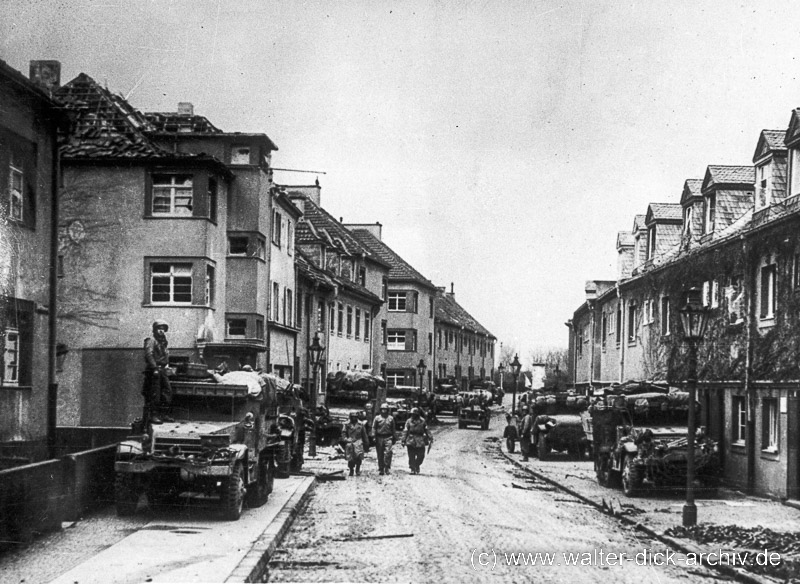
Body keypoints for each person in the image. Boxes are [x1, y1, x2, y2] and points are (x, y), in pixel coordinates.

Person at [143, 319, 173, 424]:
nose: (161, 331)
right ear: (155, 330)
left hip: (163, 370)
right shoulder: (151, 340)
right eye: (159, 329)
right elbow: (149, 354)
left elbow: (165, 355)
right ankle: (154, 415)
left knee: (167, 391)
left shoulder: (163, 342)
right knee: (155, 393)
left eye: (163, 329)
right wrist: (154, 368)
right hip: (154, 371)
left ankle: (164, 414)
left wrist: (167, 365)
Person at [401, 407, 433, 475]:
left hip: (420, 439)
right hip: (411, 439)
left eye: (415, 414)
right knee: (411, 455)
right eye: (412, 414)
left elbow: (426, 429)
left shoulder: (422, 421)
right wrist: (403, 439)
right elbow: (405, 431)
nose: (413, 416)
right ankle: (412, 468)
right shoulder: (408, 421)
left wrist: (430, 437)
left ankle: (417, 465)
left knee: (421, 456)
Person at [341, 412, 369, 476]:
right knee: (350, 457)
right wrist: (345, 439)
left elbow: (364, 434)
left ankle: (358, 469)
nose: (354, 418)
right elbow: (343, 433)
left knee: (359, 456)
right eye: (352, 417)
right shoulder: (346, 424)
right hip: (350, 441)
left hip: (358, 441)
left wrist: (366, 443)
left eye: (355, 417)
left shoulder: (361, 424)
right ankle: (351, 469)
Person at [372, 403, 395, 475]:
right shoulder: (377, 418)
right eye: (382, 409)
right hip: (379, 437)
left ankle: (387, 467)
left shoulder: (391, 418)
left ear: (388, 410)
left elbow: (393, 429)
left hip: (388, 437)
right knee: (380, 453)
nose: (384, 411)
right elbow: (374, 428)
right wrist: (373, 436)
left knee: (388, 452)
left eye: (385, 409)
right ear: (380, 410)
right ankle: (381, 468)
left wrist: (394, 438)